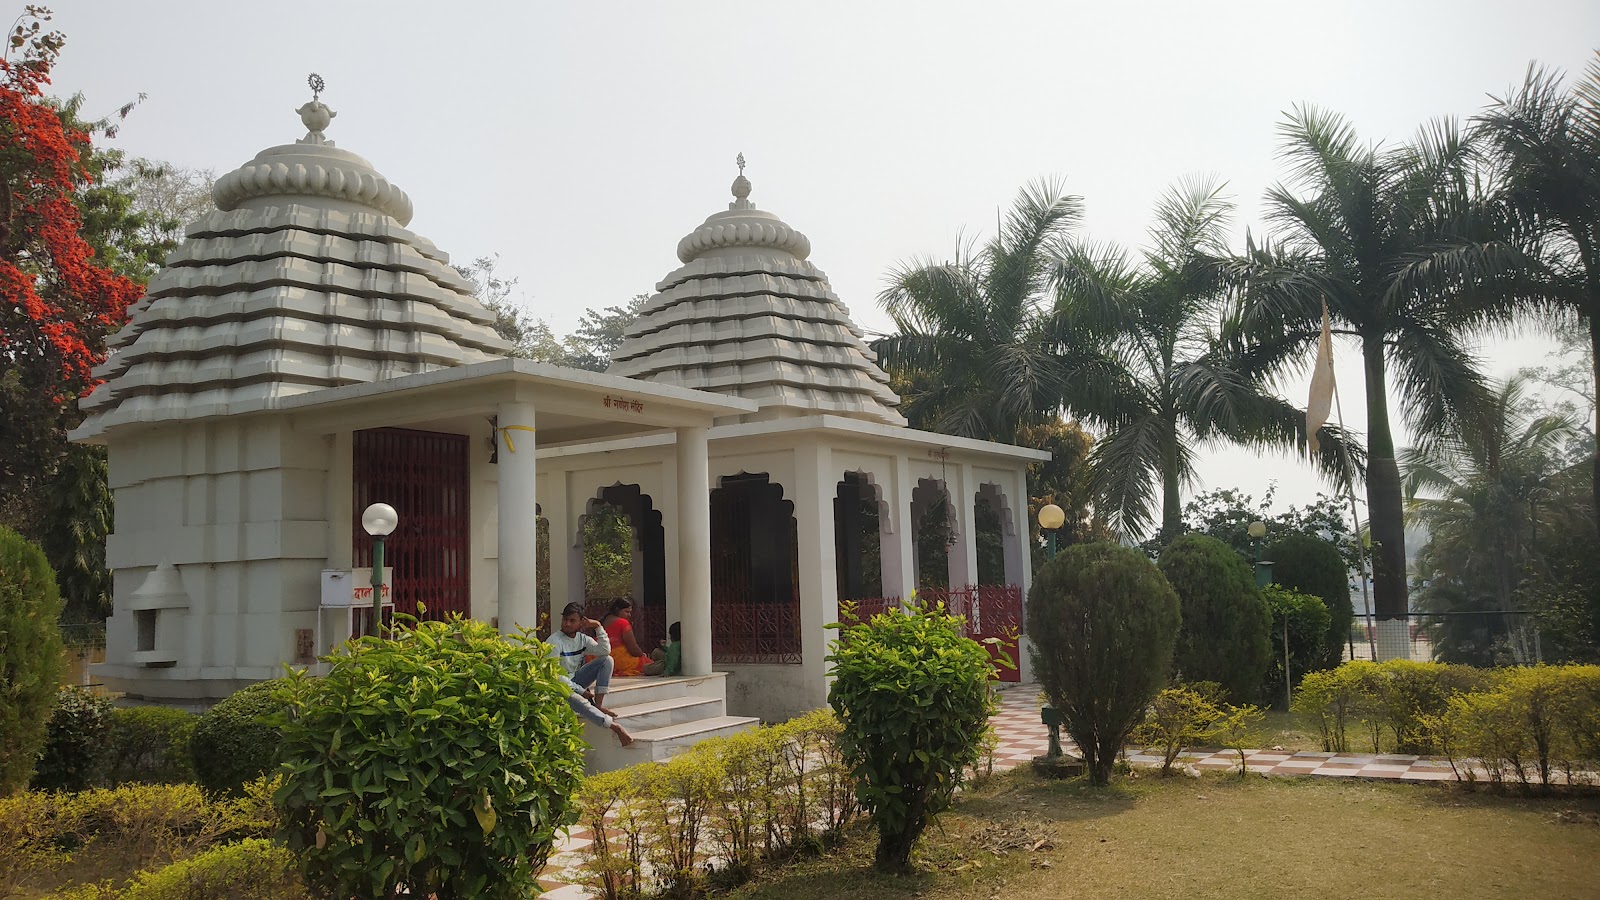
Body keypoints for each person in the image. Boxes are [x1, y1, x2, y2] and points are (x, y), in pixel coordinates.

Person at [547, 602, 614, 711]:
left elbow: (604, 651)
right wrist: (580, 691)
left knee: (607, 660)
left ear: (581, 622)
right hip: (559, 687)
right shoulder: (554, 641)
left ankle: (598, 705)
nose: (567, 624)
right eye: (565, 619)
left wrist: (598, 626)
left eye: (572, 621)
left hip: (576, 680)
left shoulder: (582, 639)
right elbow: (554, 675)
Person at [602, 597, 650, 677]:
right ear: (617, 610)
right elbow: (634, 649)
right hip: (619, 661)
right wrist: (642, 655)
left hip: (604, 659)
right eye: (626, 611)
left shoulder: (604, 620)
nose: (629, 615)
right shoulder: (623, 623)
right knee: (650, 665)